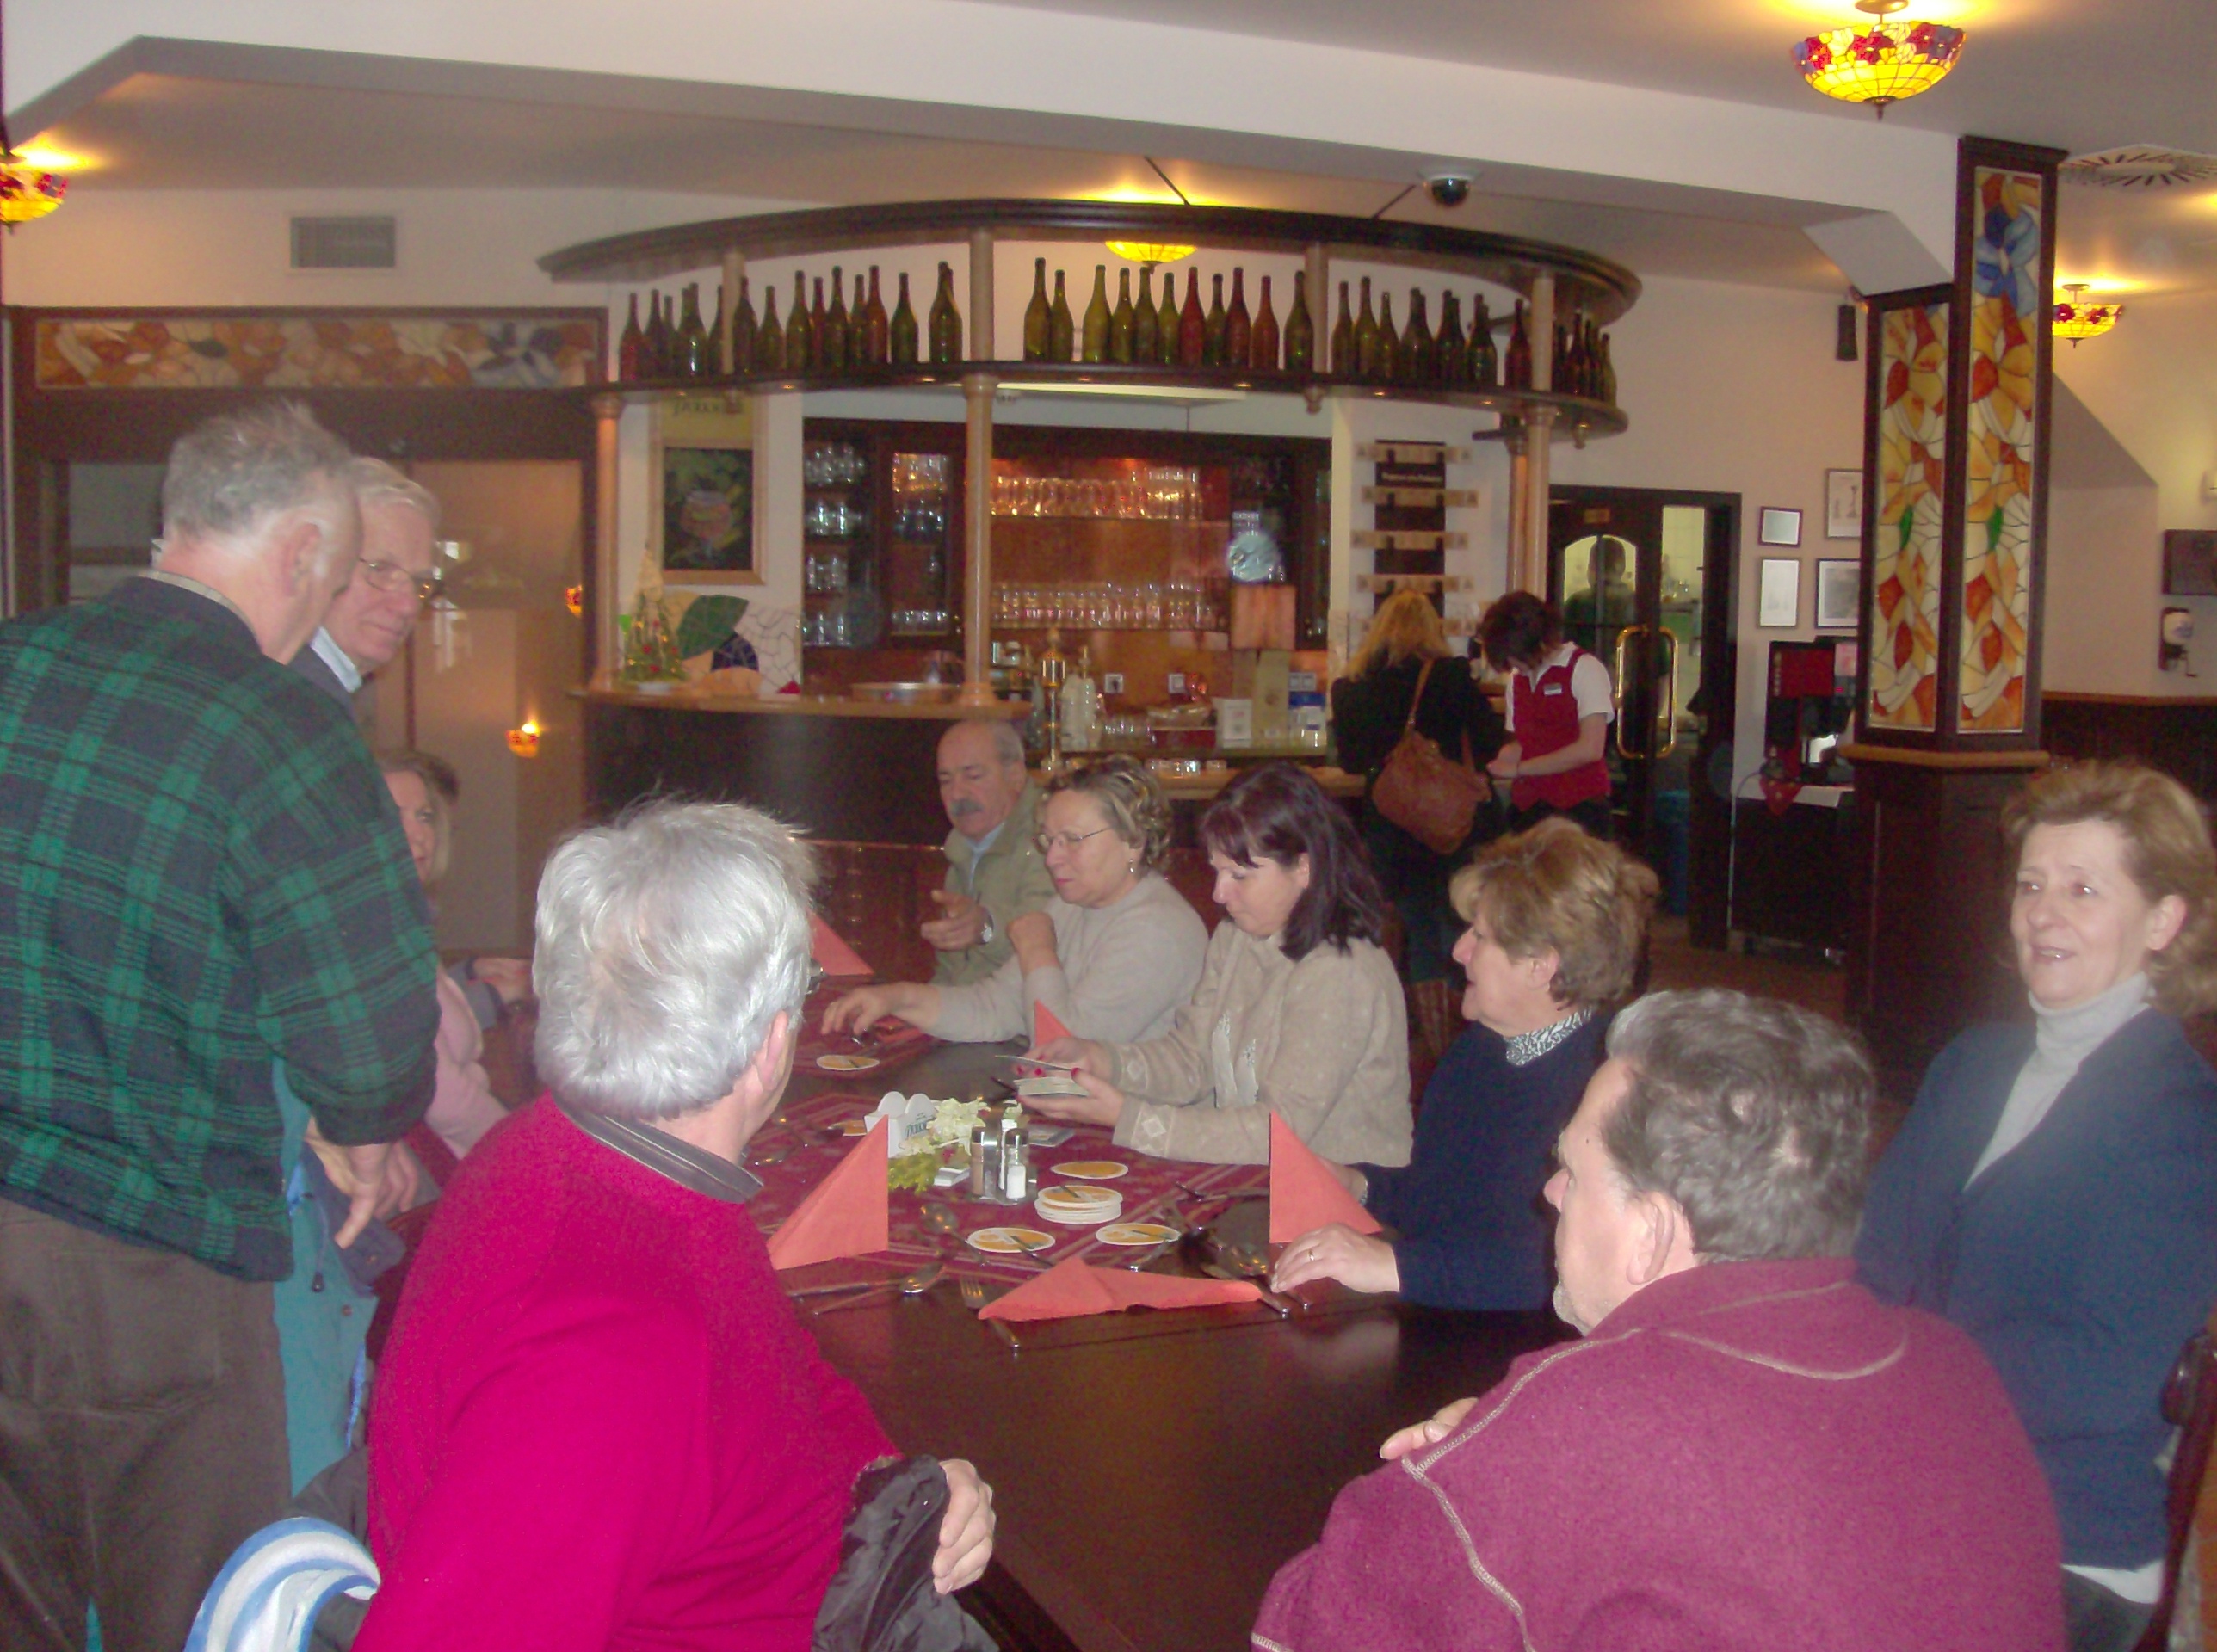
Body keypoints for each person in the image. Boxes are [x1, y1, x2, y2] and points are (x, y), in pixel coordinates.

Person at [0, 403, 441, 1652]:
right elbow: (371, 1046)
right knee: (200, 1611)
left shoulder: (9, 660)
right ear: (303, 553)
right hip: (161, 1271)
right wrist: (362, 1127)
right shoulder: (280, 728)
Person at [355, 801, 995, 1649]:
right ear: (773, 1045)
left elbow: (775, 1367)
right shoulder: (605, 1356)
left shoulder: (592, 1157)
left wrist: (886, 1481)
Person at [1254, 989, 2066, 1652]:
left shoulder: (1590, 1413)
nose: (1550, 1195)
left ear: (1650, 1232)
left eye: (1573, 1171)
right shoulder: (1952, 1365)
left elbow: (1308, 1625)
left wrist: (1468, 1472)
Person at [1856, 760, 2217, 1652]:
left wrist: (1898, 1387)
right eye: (2030, 885)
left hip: (2061, 1533)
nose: (2042, 914)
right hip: (1910, 1473)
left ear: (2163, 920)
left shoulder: (2179, 1118)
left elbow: (2097, 1379)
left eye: (2083, 889)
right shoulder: (1971, 1064)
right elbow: (1873, 1264)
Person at [1273, 818, 1654, 1309]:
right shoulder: (1478, 1052)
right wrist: (1359, 1185)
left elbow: (1560, 1269)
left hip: (1524, 1346)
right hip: (1445, 1313)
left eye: (1481, 937)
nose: (1459, 951)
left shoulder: (1604, 1086)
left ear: (1542, 965)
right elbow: (1444, 1203)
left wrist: (1392, 1267)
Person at [1031, 763, 1411, 1168]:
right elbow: (1194, 1060)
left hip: (1338, 1200)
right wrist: (1103, 1060)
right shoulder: (1238, 937)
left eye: (1239, 875)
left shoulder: (1340, 972)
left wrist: (1128, 1117)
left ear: (1304, 868)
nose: (1218, 893)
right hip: (1256, 1182)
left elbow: (1276, 1133)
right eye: (1217, 871)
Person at [822, 755, 1206, 1045]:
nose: (1053, 858)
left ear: (1134, 841)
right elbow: (994, 1007)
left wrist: (1039, 953)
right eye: (1048, 840)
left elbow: (1063, 1048)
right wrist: (896, 997)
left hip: (1140, 1134)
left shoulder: (1158, 929)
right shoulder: (1073, 905)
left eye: (1072, 839)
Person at [1329, 589, 1506, 1002]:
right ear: (1431, 630)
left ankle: (1427, 1025)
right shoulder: (1452, 677)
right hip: (1453, 824)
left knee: (1416, 924)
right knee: (1460, 923)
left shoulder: (1352, 688)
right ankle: (1461, 1017)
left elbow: (1353, 761)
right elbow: (1487, 743)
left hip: (1392, 826)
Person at [290, 459, 443, 712]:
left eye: (419, 583)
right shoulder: (296, 703)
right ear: (313, 562)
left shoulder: (321, 692)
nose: (408, 606)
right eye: (380, 569)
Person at [925, 717, 1054, 986]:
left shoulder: (1050, 840)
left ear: (1015, 776)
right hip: (973, 1016)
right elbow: (950, 974)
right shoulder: (961, 848)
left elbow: (1049, 944)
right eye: (946, 781)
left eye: (973, 776)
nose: (957, 794)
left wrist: (985, 928)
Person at [1478, 589, 1614, 839]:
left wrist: (1521, 768)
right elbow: (1525, 741)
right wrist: (1503, 758)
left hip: (1578, 809)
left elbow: (1591, 748)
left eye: (1514, 658)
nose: (1512, 667)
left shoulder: (1585, 669)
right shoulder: (1518, 680)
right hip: (1529, 808)